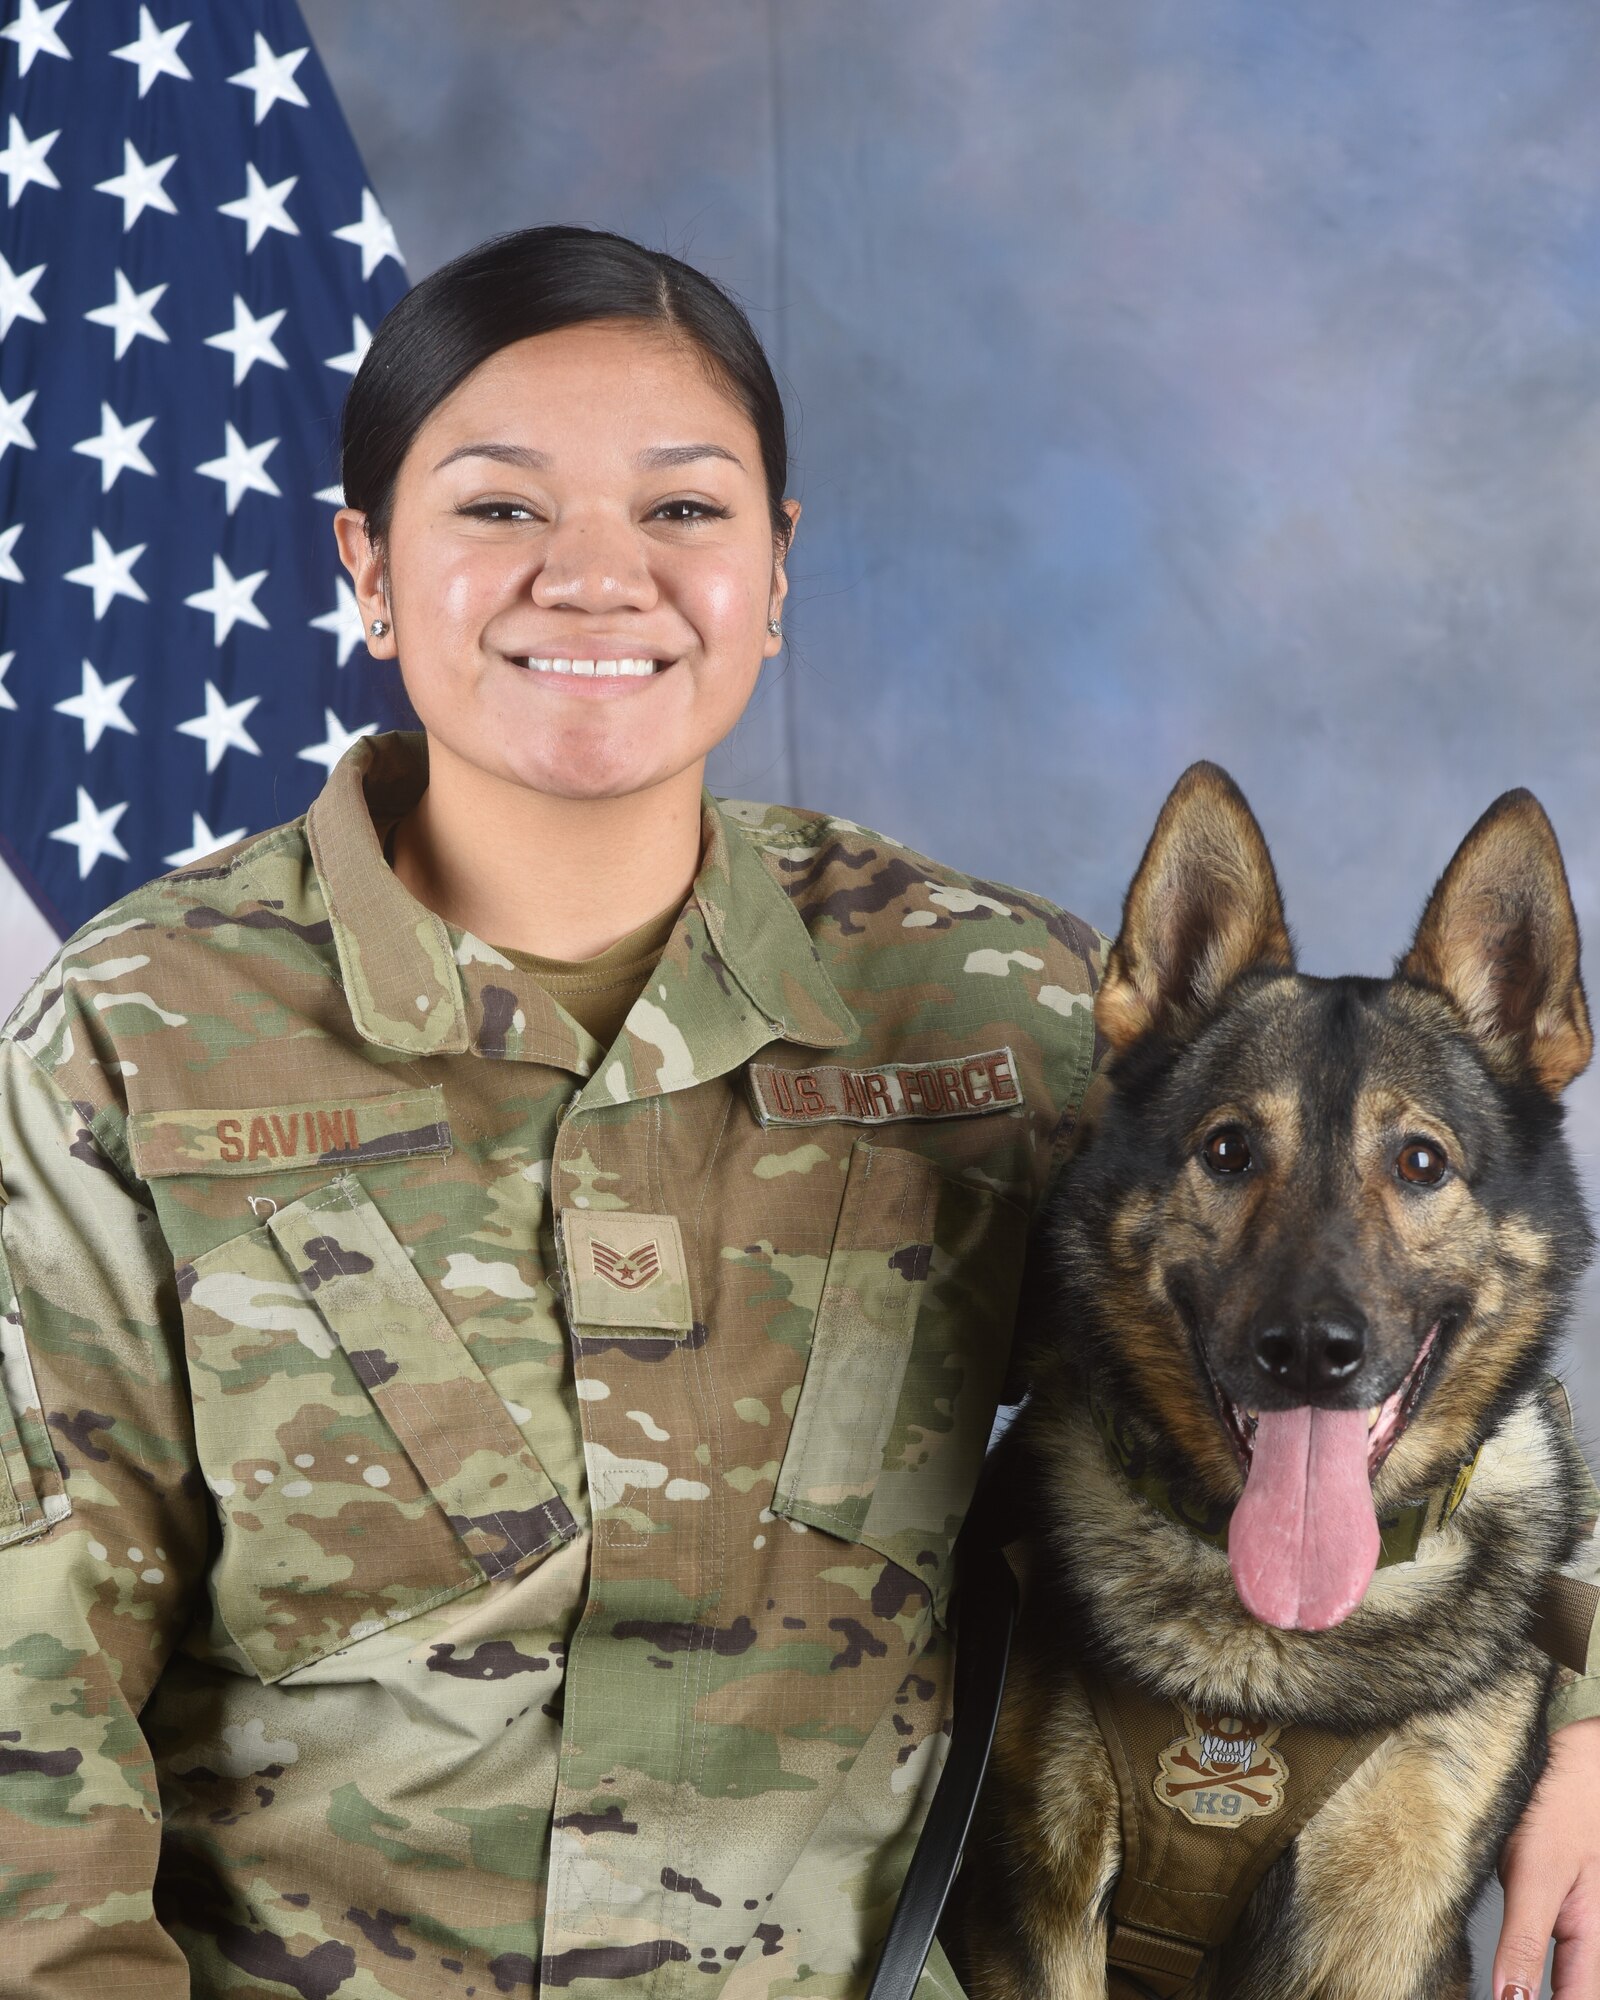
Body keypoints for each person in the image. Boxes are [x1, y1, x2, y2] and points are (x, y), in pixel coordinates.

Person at [0, 226, 1592, 2000]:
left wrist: (1578, 1706)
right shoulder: (149, 1031)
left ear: (775, 575)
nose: (595, 577)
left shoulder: (997, 1011)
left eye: (683, 510)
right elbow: (25, 1674)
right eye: (501, 509)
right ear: (368, 567)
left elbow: (1378, 1342)